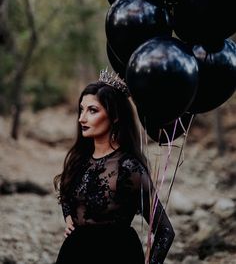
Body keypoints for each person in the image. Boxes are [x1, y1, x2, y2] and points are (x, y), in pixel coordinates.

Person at [53, 69, 175, 264]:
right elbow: (67, 195)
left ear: (115, 116)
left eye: (92, 110)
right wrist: (68, 216)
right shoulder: (79, 159)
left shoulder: (129, 169)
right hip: (73, 254)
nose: (81, 118)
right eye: (81, 110)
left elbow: (165, 231)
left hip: (116, 254)